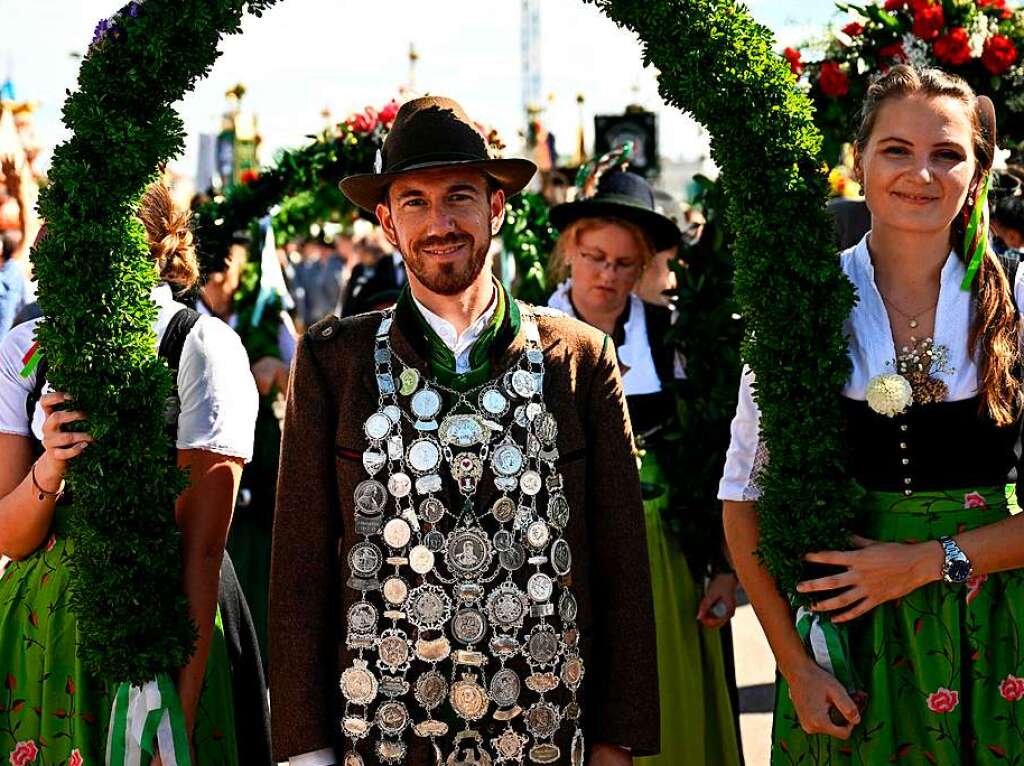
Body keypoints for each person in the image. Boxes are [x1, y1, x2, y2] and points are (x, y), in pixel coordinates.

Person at [270, 96, 659, 766]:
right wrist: (306, 752)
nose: (440, 222)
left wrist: (615, 742)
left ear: (497, 208)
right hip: (387, 734)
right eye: (414, 202)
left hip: (545, 726)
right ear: (387, 223)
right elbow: (300, 569)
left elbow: (620, 563)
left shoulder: (580, 358)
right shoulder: (334, 360)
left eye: (459, 197)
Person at [720, 65, 1024, 763]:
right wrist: (794, 667)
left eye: (947, 153)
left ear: (977, 171)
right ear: (858, 162)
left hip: (999, 624)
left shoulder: (1020, 297)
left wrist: (925, 562)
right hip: (849, 639)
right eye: (897, 150)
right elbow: (743, 500)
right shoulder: (804, 306)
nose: (922, 173)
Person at [0, 183, 263, 764]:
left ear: (146, 242)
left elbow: (199, 549)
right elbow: (10, 536)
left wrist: (177, 722)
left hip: (166, 629)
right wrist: (52, 461)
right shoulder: (26, 348)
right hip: (44, 639)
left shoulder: (199, 345)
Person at [547, 169, 742, 766]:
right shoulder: (529, 331)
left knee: (669, 695)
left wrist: (725, 566)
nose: (607, 276)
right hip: (564, 548)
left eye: (624, 264)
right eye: (595, 257)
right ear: (569, 254)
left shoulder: (666, 336)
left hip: (664, 549)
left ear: (643, 269)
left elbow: (713, 453)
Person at [197, 226, 296, 662]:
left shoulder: (266, 317)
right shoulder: (186, 320)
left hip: (258, 474)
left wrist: (279, 371)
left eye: (227, 261)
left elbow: (307, 387)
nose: (217, 276)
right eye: (210, 264)